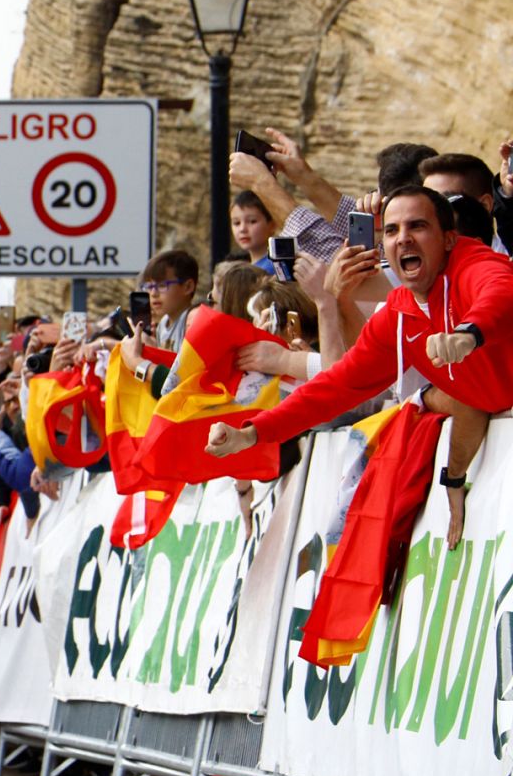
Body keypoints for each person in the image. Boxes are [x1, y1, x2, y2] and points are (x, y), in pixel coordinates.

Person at [207, 186, 513, 549]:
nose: (403, 239)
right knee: (445, 398)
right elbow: (337, 386)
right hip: (487, 405)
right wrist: (253, 432)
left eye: (417, 226)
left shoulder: (473, 262)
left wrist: (468, 333)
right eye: (392, 231)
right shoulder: (398, 313)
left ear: (448, 239)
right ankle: (453, 481)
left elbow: (501, 289)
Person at [139, 250, 200, 351]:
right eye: (149, 286)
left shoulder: (192, 321)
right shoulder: (162, 324)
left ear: (188, 287)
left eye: (162, 285)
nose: (153, 293)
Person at [231, 191, 276, 271]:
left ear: (272, 225)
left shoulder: (274, 268)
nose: (242, 229)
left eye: (252, 221)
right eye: (237, 223)